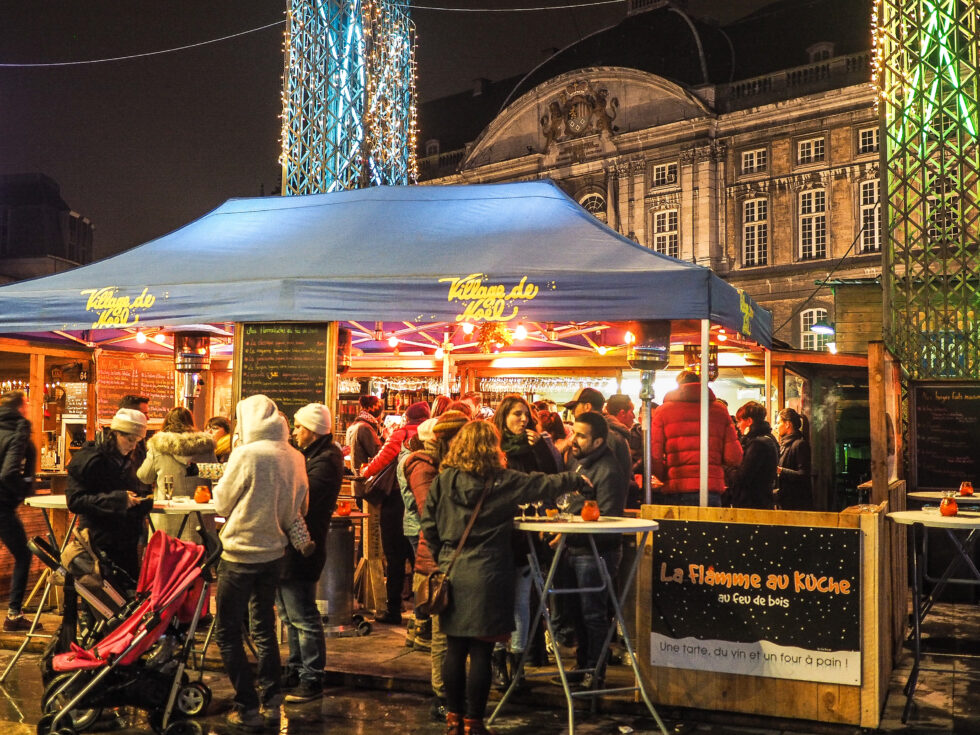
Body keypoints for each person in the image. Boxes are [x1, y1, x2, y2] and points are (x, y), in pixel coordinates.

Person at [421, 420, 589, 735]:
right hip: (489, 573)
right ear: (492, 449)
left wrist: (444, 556)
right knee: (482, 652)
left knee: (455, 649)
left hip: (452, 571)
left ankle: (453, 720)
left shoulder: (443, 481)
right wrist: (575, 480)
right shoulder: (503, 481)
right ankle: (474, 722)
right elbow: (543, 484)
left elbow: (428, 525)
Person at [213, 394, 308, 732]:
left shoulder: (246, 455)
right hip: (274, 554)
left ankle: (246, 703)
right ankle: (272, 697)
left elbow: (221, 503)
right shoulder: (295, 456)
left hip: (239, 554)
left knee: (227, 632)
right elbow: (301, 505)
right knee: (265, 628)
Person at [404, 409, 469, 723]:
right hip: (435, 559)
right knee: (443, 633)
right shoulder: (423, 467)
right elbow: (432, 512)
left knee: (454, 631)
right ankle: (442, 694)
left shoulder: (449, 467)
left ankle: (453, 692)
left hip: (454, 557)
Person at [490, 394, 559, 689]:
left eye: (526, 415)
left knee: (520, 600)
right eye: (516, 414)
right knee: (497, 601)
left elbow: (550, 479)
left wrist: (541, 448)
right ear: (504, 416)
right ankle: (497, 661)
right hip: (498, 535)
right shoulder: (494, 448)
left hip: (526, 534)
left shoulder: (534, 448)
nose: (522, 420)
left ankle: (517, 667)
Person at [279, 403, 344, 703]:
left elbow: (304, 498)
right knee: (289, 613)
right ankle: (295, 669)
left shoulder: (326, 460)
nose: (294, 432)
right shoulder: (311, 455)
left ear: (314, 430)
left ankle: (312, 677)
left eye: (299, 427)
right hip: (289, 545)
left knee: (303, 613)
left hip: (305, 546)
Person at [562, 411, 627, 690]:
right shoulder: (579, 463)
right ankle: (582, 664)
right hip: (574, 547)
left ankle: (595, 671)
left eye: (580, 435)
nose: (573, 440)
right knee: (577, 612)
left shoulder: (608, 470)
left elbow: (607, 515)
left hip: (595, 551)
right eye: (573, 433)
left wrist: (573, 509)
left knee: (593, 614)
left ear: (599, 440)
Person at [66, 408, 154, 592]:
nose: (132, 446)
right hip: (98, 541)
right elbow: (75, 501)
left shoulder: (128, 459)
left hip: (125, 541)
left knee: (125, 601)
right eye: (129, 440)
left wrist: (142, 502)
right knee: (104, 601)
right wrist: (119, 500)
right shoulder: (90, 459)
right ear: (115, 434)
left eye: (137, 441)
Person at [361, 401, 430, 625]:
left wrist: (365, 471)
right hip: (422, 502)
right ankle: (424, 613)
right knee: (419, 559)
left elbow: (382, 459)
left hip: (396, 500)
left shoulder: (401, 434)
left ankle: (393, 609)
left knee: (394, 557)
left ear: (407, 417)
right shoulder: (431, 435)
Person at [649, 371, 743, 507]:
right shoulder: (720, 411)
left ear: (678, 386)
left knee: (679, 528)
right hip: (710, 489)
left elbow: (654, 455)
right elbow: (734, 457)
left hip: (677, 488)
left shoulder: (663, 411)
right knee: (708, 528)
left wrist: (667, 476)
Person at [137, 407, 217, 540]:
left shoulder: (158, 447)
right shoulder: (205, 447)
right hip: (200, 514)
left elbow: (144, 477)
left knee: (168, 555)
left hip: (167, 516)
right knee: (199, 557)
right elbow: (215, 474)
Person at [0, 391, 38, 631]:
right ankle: (13, 615)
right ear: (21, 407)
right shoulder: (18, 431)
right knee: (24, 555)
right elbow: (8, 473)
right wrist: (21, 491)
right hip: (2, 506)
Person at [724, 401, 778, 510]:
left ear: (749, 421)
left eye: (740, 421)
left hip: (752, 505)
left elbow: (742, 477)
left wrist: (726, 468)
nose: (738, 425)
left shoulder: (757, 444)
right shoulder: (769, 439)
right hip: (762, 502)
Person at [776, 408, 813, 510]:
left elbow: (804, 474)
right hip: (785, 501)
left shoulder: (799, 444)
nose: (776, 427)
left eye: (779, 423)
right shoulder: (784, 444)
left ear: (787, 424)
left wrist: (781, 471)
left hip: (796, 504)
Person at [345, 395, 384, 474]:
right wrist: (384, 438)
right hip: (365, 479)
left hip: (358, 477)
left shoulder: (354, 425)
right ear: (372, 409)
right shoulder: (365, 428)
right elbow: (377, 454)